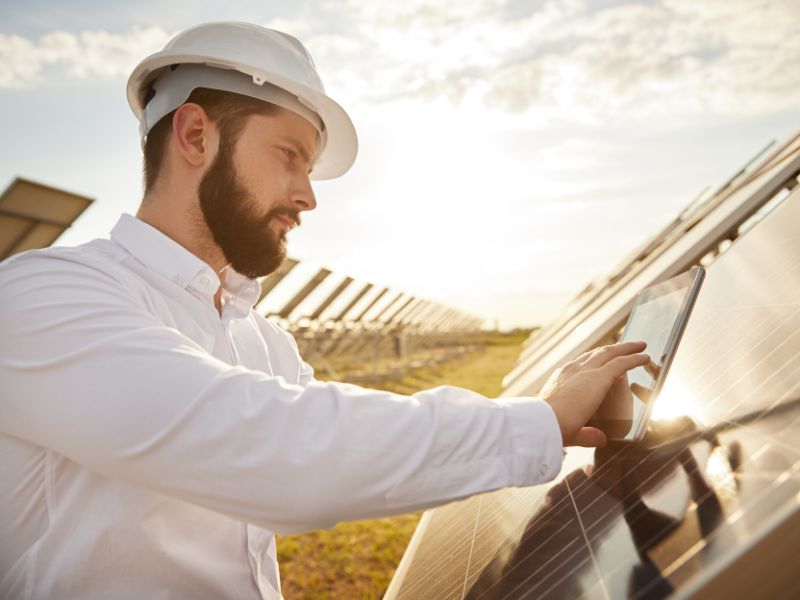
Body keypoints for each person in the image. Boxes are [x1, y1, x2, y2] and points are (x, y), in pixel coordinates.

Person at [0, 22, 649, 600]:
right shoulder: (43, 296)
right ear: (195, 135)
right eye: (289, 156)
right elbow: (279, 446)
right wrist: (532, 423)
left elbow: (348, 446)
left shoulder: (262, 340)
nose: (308, 196)